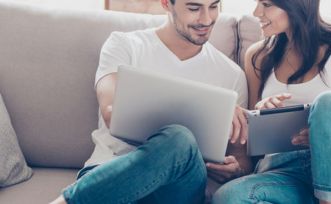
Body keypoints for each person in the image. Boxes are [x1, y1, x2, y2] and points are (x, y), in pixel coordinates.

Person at [50, 0, 252, 203]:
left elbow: (241, 158)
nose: (207, 19)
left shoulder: (231, 75)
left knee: (181, 140)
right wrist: (203, 110)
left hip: (177, 190)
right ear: (166, 3)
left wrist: (235, 170)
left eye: (214, 6)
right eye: (194, 8)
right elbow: (112, 113)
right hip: (111, 177)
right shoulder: (124, 45)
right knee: (178, 137)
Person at [212, 0, 331, 203]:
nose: (256, 12)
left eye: (267, 4)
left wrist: (324, 133)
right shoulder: (259, 56)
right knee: (228, 197)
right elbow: (250, 150)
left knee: (329, 102)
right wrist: (260, 114)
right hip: (283, 173)